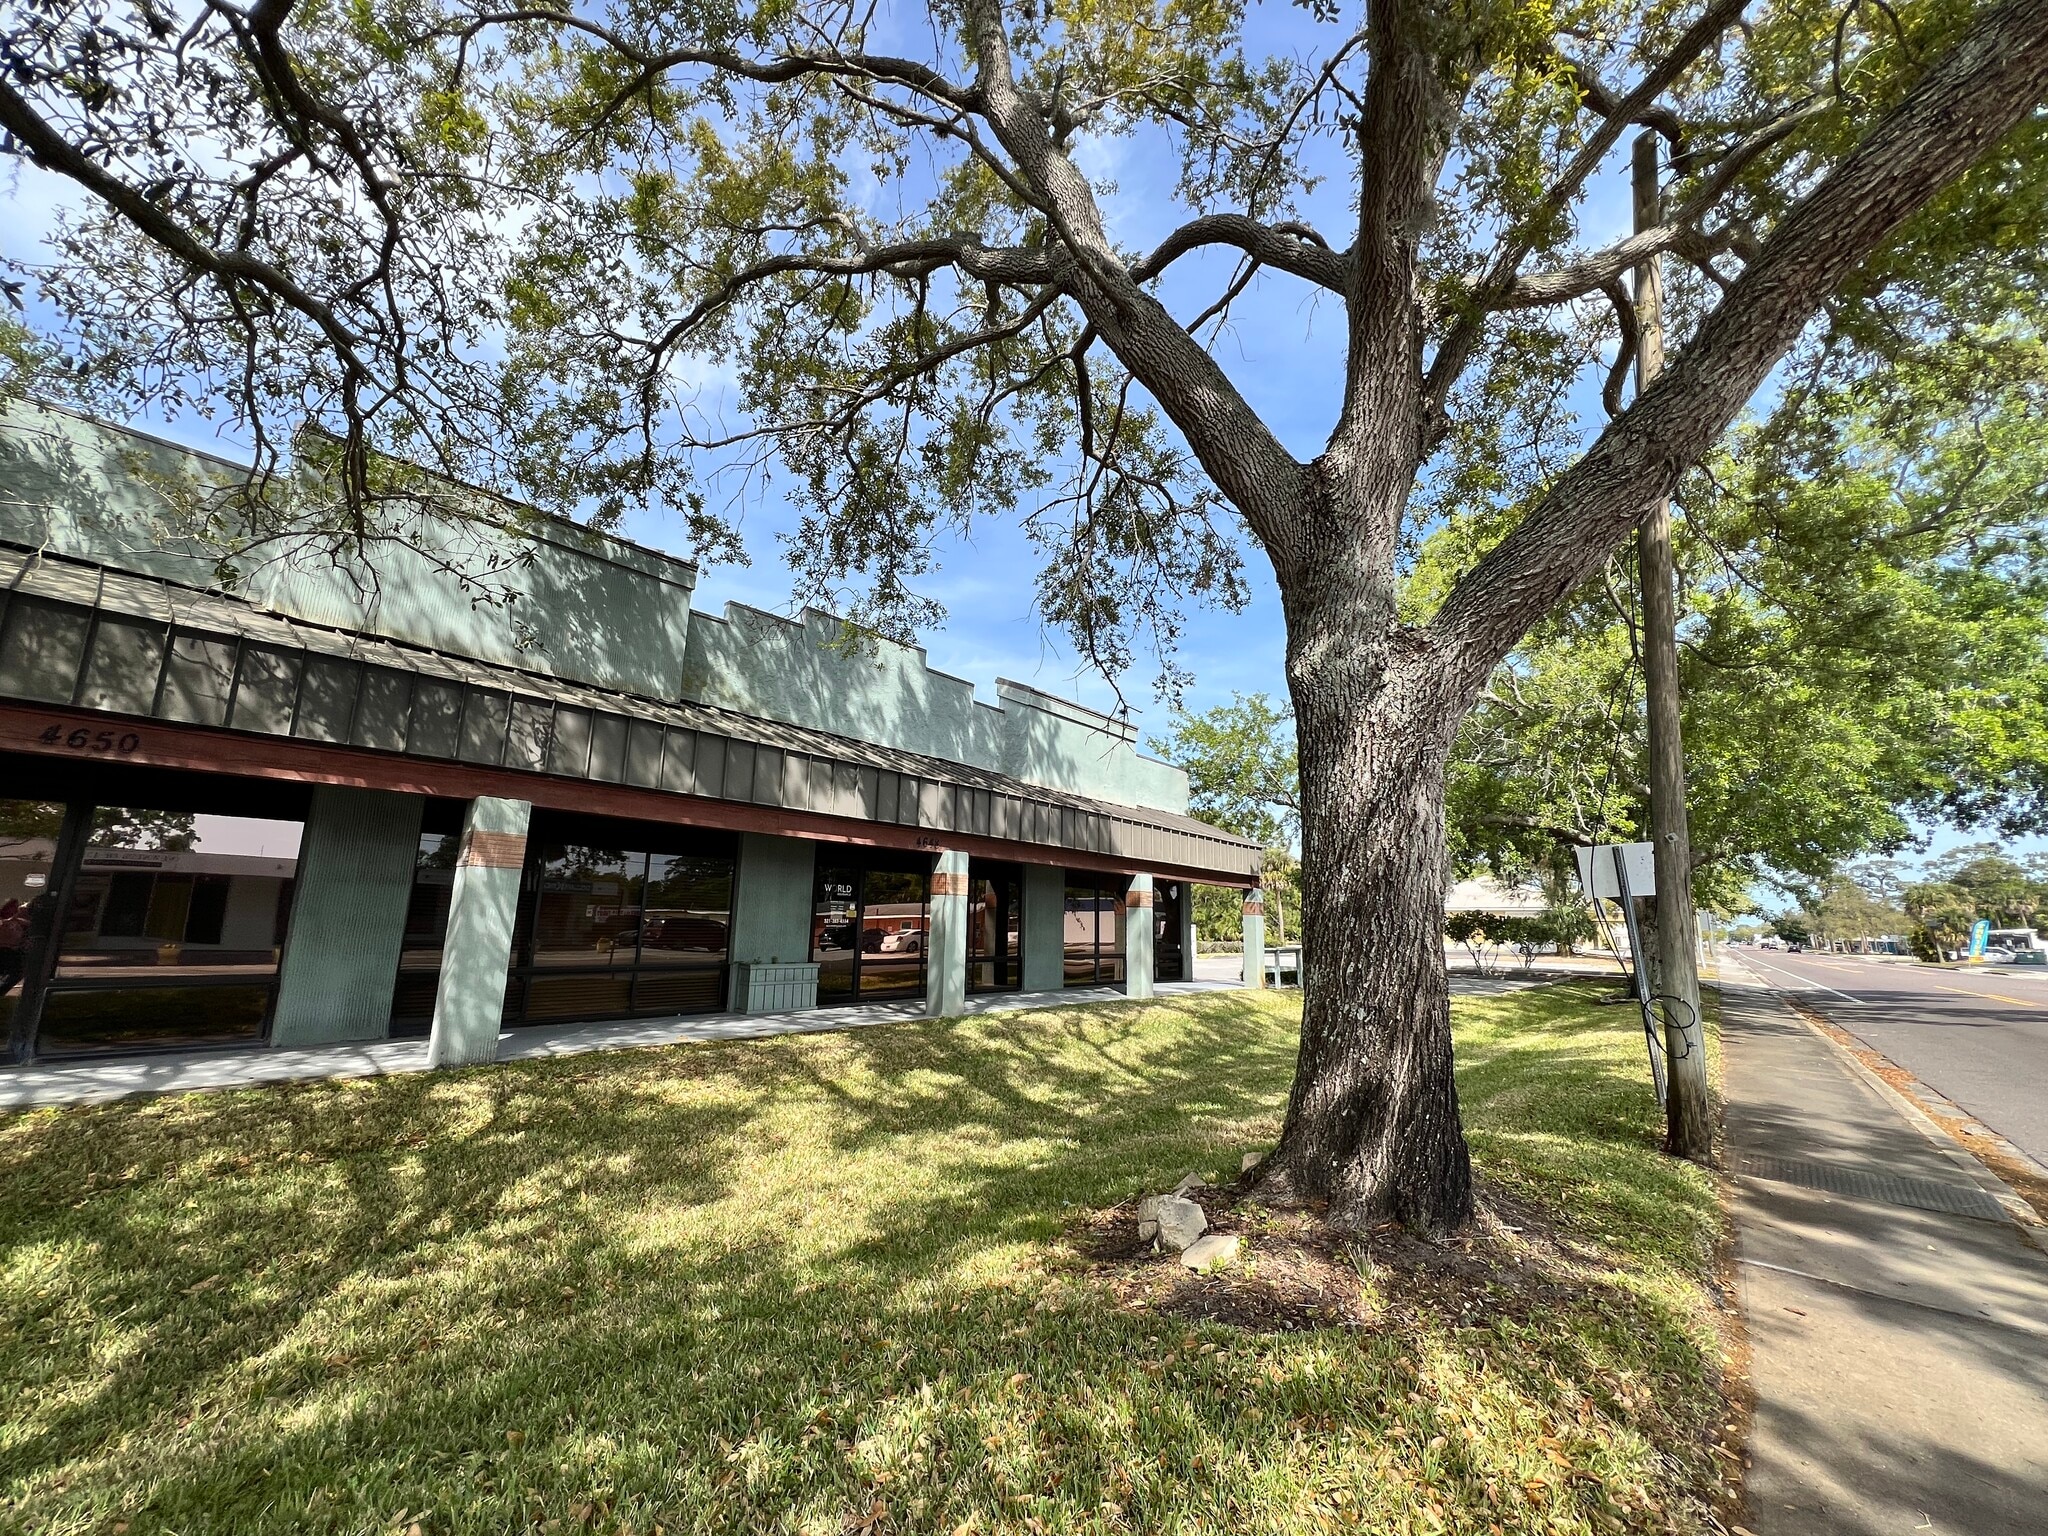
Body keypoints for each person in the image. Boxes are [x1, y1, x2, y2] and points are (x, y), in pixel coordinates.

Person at [0, 898, 27, 998]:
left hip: (12, 951)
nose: (17, 909)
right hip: (5, 950)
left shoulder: (18, 922)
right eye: (13, 907)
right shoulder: (6, 922)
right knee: (16, 972)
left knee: (17, 973)